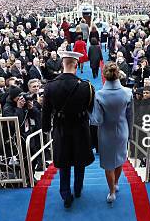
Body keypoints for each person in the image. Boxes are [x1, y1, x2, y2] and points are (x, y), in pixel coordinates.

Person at [42, 50, 95, 208]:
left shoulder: (50, 87)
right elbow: (90, 109)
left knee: (64, 162)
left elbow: (46, 112)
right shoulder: (87, 87)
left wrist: (46, 129)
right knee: (79, 162)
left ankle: (65, 193)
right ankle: (78, 189)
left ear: (62, 64)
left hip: (61, 129)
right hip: (80, 128)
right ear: (76, 65)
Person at [91, 63, 133, 204]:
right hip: (123, 131)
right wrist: (131, 134)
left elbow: (97, 119)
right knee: (120, 159)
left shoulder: (99, 94)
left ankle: (112, 192)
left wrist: (87, 112)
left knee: (109, 163)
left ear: (104, 75)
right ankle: (116, 184)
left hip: (106, 133)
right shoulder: (128, 92)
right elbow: (130, 116)